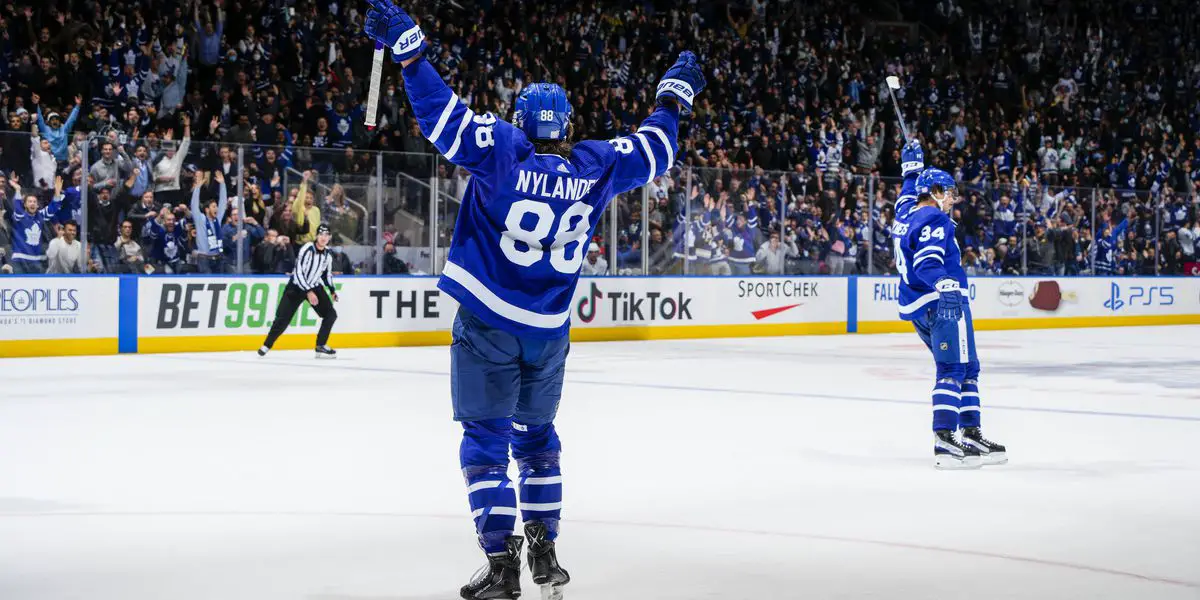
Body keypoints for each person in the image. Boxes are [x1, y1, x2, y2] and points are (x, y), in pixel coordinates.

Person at [364, 4, 702, 599]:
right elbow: (655, 149)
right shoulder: (596, 163)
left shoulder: (502, 148)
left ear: (522, 118)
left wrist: (409, 49)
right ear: (566, 124)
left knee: (485, 444)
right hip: (548, 332)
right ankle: (544, 549)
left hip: (488, 323)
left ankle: (501, 566)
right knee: (538, 440)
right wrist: (673, 97)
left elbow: (439, 115)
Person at [892, 159, 1007, 470]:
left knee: (968, 367)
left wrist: (911, 167)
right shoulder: (934, 220)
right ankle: (944, 439)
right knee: (952, 369)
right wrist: (946, 286)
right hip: (942, 303)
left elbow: (905, 195)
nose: (954, 199)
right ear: (935, 191)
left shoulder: (906, 213)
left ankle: (970, 434)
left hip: (922, 304)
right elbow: (928, 262)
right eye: (950, 193)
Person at [257, 224, 339, 358]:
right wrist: (308, 291)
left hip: (314, 285)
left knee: (331, 314)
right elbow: (299, 273)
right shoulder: (307, 249)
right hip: (296, 287)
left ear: (329, 237)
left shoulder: (328, 253)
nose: (323, 238)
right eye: (321, 234)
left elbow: (326, 274)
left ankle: (320, 345)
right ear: (316, 236)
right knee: (282, 319)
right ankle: (267, 344)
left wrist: (332, 290)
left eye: (326, 235)